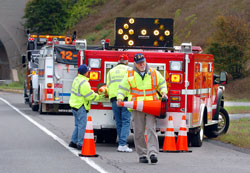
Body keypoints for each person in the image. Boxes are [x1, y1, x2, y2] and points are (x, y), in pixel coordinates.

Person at [117, 53, 168, 164]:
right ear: (135, 63)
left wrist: (164, 92)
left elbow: (162, 83)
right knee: (138, 131)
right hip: (137, 106)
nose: (142, 64)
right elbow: (122, 87)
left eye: (143, 62)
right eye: (140, 63)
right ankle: (142, 155)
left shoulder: (153, 72)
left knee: (151, 129)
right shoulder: (130, 74)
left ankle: (153, 153)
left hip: (151, 106)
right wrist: (120, 98)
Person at [69, 64, 103, 150]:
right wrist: (99, 97)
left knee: (77, 125)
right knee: (82, 126)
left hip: (74, 105)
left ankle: (73, 142)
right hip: (81, 106)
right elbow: (89, 96)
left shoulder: (76, 79)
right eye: (87, 71)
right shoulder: (84, 82)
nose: (88, 72)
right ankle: (80, 144)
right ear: (85, 73)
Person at [106, 54, 132, 152]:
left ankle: (121, 143)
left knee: (119, 121)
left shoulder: (111, 71)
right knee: (126, 121)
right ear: (126, 61)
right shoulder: (129, 70)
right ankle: (122, 144)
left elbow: (108, 85)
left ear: (118, 61)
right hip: (125, 98)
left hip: (114, 98)